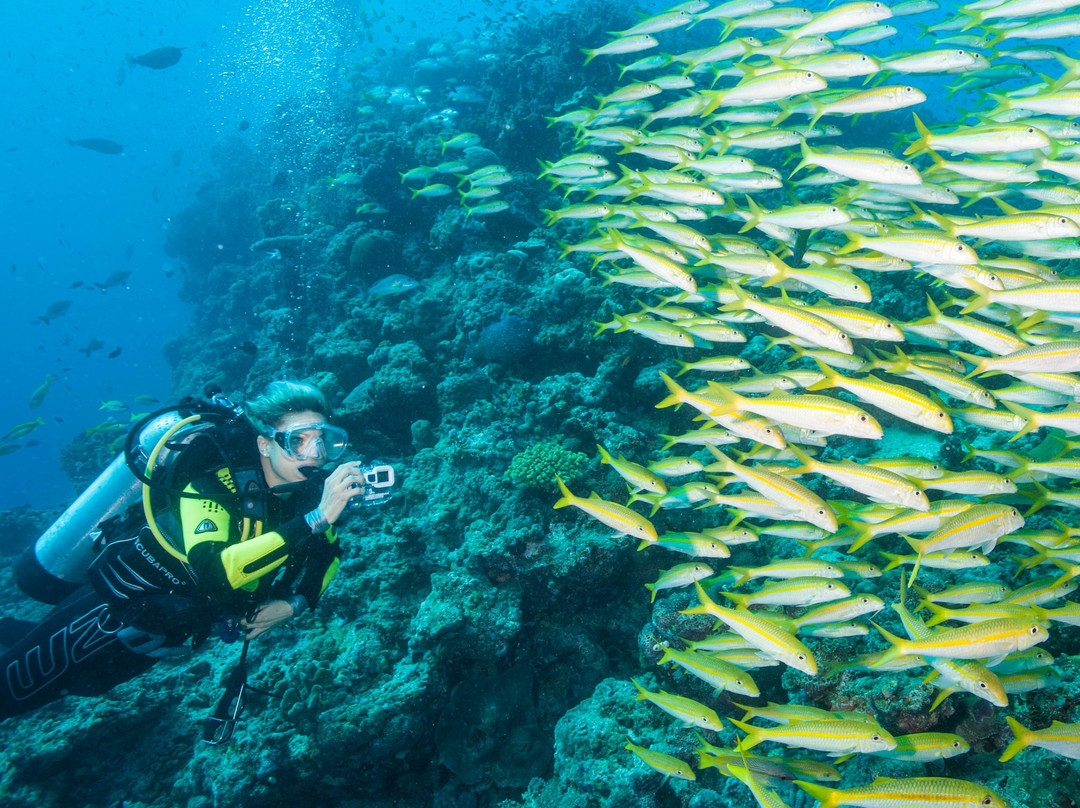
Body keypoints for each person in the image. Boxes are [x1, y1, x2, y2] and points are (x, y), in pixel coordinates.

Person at [0, 380, 364, 723]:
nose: (316, 455)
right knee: (13, 690)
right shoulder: (207, 486)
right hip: (106, 617)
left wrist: (294, 604)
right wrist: (318, 516)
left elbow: (328, 556)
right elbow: (217, 574)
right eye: (298, 440)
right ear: (264, 444)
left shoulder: (301, 495)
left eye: (324, 441)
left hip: (158, 636)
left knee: (82, 684)